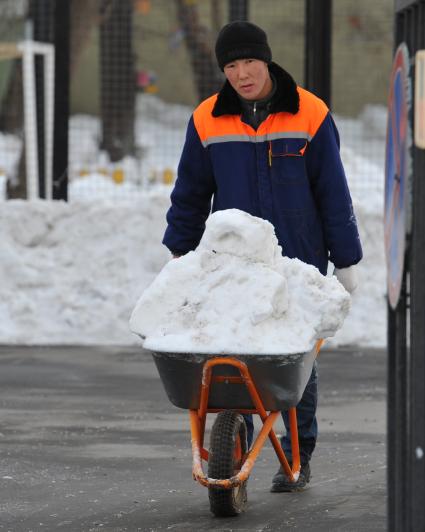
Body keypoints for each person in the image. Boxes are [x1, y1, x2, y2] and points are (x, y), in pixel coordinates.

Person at [162, 21, 363, 492]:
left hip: (298, 260)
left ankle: (295, 454)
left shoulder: (310, 114)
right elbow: (190, 191)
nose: (241, 74)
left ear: (266, 59)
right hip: (233, 266)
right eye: (231, 66)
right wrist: (180, 250)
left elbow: (333, 191)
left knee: (294, 364)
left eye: (249, 61)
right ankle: (236, 445)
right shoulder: (208, 119)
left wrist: (347, 258)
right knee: (235, 360)